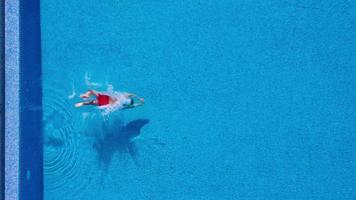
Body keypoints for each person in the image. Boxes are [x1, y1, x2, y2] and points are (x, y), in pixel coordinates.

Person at [74, 90, 144, 109]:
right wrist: (141, 103)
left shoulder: (124, 96)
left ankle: (87, 95)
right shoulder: (125, 106)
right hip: (106, 104)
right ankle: (83, 103)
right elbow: (134, 106)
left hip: (106, 98)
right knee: (90, 103)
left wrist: (139, 98)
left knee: (91, 91)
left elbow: (132, 94)